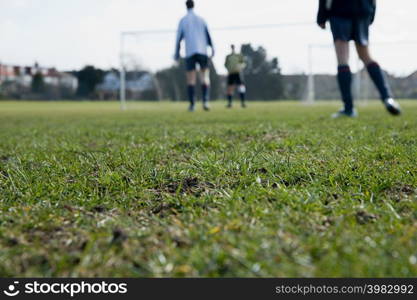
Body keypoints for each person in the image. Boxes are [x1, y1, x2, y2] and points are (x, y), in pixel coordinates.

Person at [317, 0, 402, 118]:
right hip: (362, 10)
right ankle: (387, 98)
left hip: (340, 10)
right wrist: (370, 14)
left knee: (343, 58)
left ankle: (349, 109)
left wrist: (321, 16)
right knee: (366, 56)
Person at [174, 0, 215, 112]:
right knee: (204, 77)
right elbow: (208, 36)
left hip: (190, 51)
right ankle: (205, 101)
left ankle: (192, 104)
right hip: (202, 51)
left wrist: (176, 54)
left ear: (186, 6)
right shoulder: (202, 19)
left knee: (191, 79)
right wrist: (213, 49)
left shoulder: (183, 20)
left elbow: (178, 39)